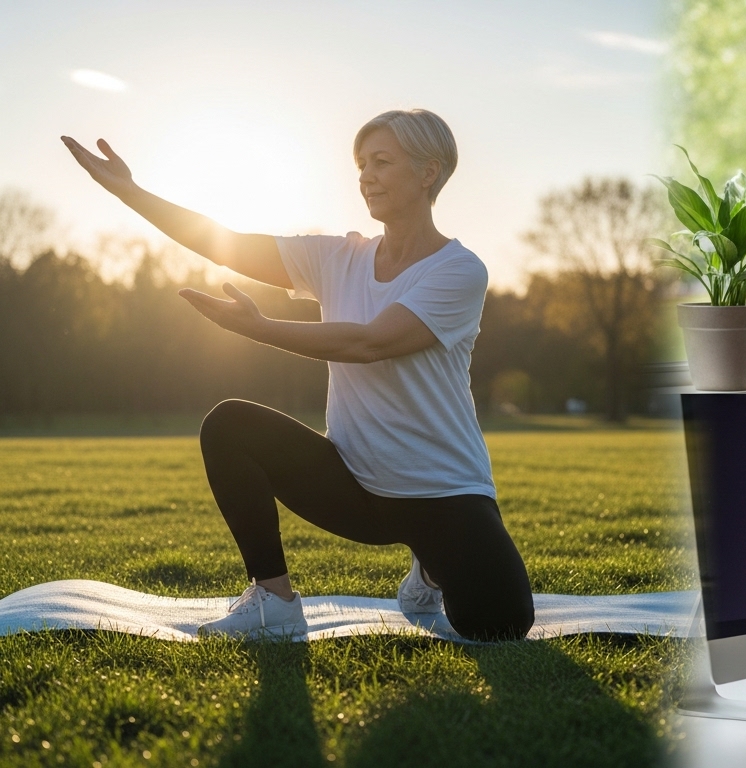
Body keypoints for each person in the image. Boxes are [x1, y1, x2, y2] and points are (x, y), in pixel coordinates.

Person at [61, 109, 535, 642]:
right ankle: (274, 599)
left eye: (382, 162)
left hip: (443, 492)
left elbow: (370, 342)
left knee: (500, 625)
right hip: (355, 483)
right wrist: (130, 191)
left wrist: (260, 328)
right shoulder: (337, 257)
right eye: (361, 164)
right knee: (230, 425)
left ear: (429, 172)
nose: (366, 176)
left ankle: (432, 567)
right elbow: (227, 241)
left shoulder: (458, 270)